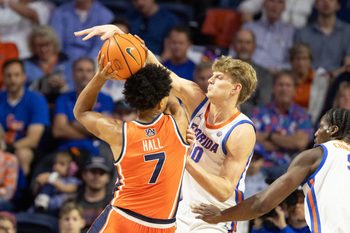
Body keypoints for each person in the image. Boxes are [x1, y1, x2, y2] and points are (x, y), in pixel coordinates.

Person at [75, 24, 257, 233]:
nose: (210, 79)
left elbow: (224, 190)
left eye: (219, 78)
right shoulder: (196, 98)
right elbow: (161, 74)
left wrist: (183, 159)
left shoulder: (241, 130)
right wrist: (122, 38)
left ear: (235, 88)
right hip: (182, 207)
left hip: (217, 214)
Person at [73, 53, 189, 232]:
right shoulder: (178, 123)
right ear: (161, 103)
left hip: (122, 220)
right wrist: (143, 56)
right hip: (163, 226)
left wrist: (100, 77)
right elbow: (171, 88)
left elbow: (81, 112)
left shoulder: (120, 133)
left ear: (132, 101)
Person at [193, 108, 350, 233]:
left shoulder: (318, 154)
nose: (315, 134)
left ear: (333, 130)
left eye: (320, 128)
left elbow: (262, 204)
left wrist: (220, 216)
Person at [0, 58, 50, 176]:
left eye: (16, 75)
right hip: (2, 144)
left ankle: (21, 192)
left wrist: (8, 149)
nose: (12, 80)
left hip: (25, 147)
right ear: (3, 78)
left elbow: (33, 139)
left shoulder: (36, 100)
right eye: (9, 75)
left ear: (24, 77)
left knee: (22, 154)